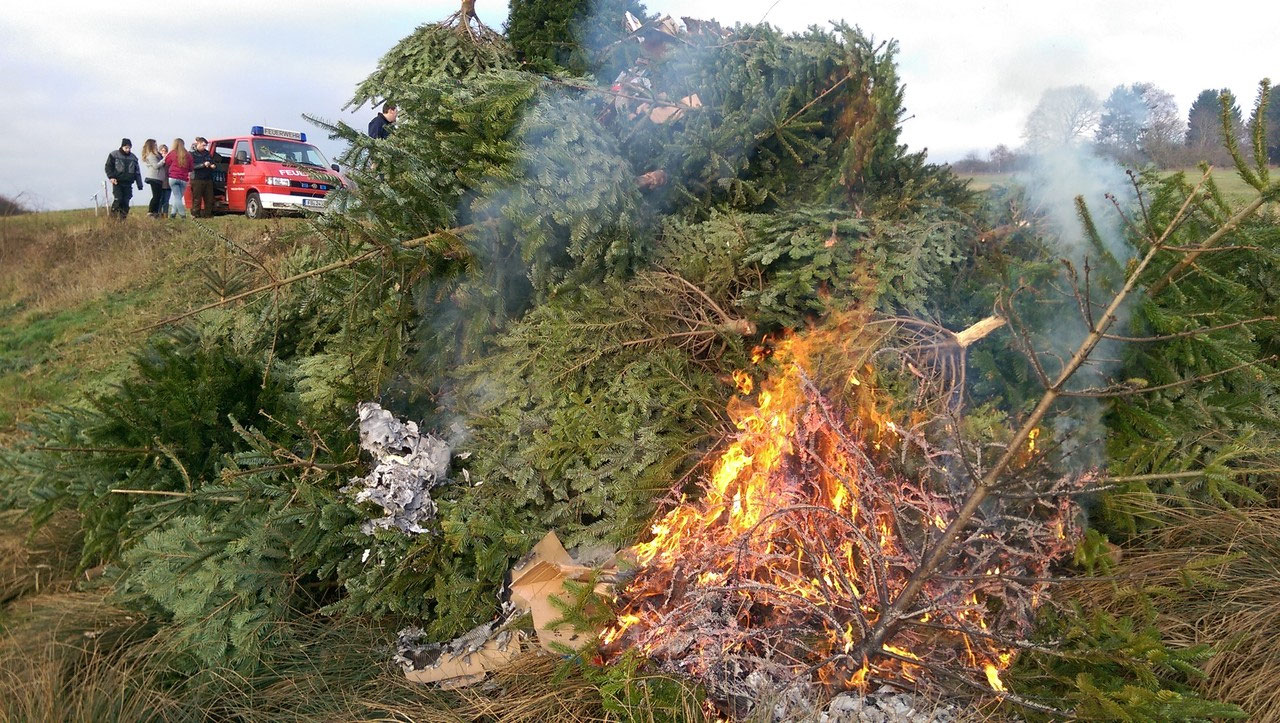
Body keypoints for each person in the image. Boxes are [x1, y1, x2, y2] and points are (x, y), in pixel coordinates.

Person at [104, 138, 143, 220]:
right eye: (126, 147)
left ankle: (123, 221)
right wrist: (111, 177)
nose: (128, 149)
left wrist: (139, 184)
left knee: (126, 202)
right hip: (117, 182)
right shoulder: (114, 155)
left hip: (128, 183)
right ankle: (112, 220)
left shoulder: (133, 158)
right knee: (118, 199)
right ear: (122, 147)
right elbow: (108, 167)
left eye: (129, 148)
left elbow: (137, 172)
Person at [189, 136, 217, 218]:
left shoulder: (207, 153)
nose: (204, 147)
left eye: (205, 146)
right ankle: (195, 214)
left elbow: (212, 162)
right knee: (197, 198)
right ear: (198, 144)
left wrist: (212, 165)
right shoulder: (192, 154)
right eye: (203, 145)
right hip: (197, 178)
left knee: (209, 198)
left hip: (208, 178)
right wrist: (202, 165)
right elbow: (191, 166)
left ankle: (208, 215)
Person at [164, 138, 193, 218]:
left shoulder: (172, 153)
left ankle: (179, 214)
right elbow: (191, 168)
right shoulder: (188, 155)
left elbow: (167, 162)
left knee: (177, 197)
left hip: (173, 177)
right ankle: (177, 214)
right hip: (183, 179)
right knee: (179, 197)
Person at [139, 139, 167, 218]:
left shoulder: (156, 155)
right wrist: (164, 159)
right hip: (154, 177)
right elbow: (156, 166)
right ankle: (151, 212)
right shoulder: (151, 155)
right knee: (156, 196)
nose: (156, 146)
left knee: (158, 196)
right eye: (155, 145)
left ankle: (155, 212)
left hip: (158, 178)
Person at [158, 143, 172, 216]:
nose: (163, 153)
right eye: (162, 151)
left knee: (166, 200)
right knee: (160, 199)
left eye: (165, 151)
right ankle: (159, 213)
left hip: (168, 182)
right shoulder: (158, 159)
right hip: (160, 182)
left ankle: (165, 214)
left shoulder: (169, 160)